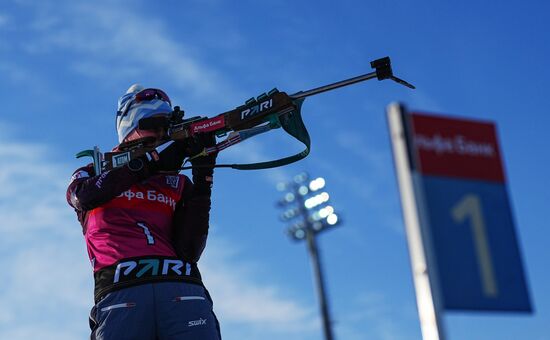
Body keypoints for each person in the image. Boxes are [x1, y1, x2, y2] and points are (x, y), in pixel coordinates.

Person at [67, 84, 221, 339]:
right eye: (153, 125)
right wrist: (146, 165)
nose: (161, 135)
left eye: (166, 128)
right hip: (121, 292)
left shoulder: (178, 183)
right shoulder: (95, 170)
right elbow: (82, 197)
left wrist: (204, 176)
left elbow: (189, 251)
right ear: (128, 127)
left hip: (182, 289)